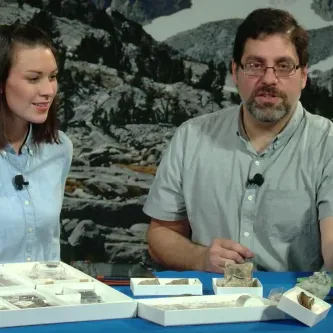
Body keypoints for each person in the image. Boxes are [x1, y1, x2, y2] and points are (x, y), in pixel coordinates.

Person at [143, 8, 333, 273]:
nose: (269, 79)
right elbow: (160, 235)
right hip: (208, 305)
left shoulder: (328, 144)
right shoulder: (191, 137)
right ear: (235, 71)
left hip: (293, 307)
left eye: (284, 66)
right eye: (255, 65)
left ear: (303, 76)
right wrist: (200, 258)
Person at [0, 23, 73, 263]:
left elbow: (49, 244)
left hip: (45, 297)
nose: (48, 90)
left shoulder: (60, 148)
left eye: (52, 77)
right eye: (33, 79)